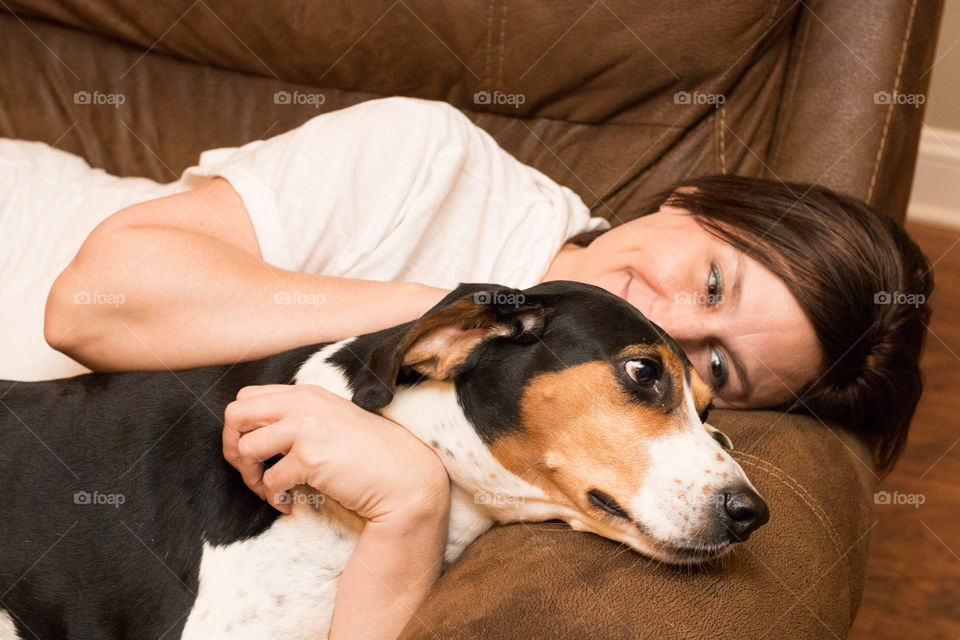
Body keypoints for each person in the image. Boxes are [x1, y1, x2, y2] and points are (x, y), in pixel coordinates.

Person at [2, 97, 931, 640]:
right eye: (714, 280)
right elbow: (90, 304)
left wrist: (410, 497)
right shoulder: (434, 160)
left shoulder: (564, 447)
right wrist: (477, 314)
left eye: (715, 364)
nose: (667, 320)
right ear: (689, 200)